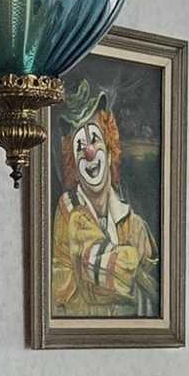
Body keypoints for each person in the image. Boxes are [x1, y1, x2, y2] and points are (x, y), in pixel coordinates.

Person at [50, 88, 158, 317]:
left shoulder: (132, 221)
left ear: (110, 153)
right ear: (74, 169)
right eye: (79, 147)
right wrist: (132, 258)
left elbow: (155, 285)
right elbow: (102, 276)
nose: (89, 152)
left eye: (95, 140)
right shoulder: (70, 210)